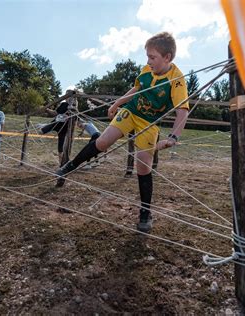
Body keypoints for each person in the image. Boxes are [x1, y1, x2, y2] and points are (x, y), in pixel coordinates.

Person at [56, 32, 189, 233]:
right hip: (131, 111)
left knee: (143, 166)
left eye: (152, 57)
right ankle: (70, 165)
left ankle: (145, 212)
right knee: (103, 141)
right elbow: (136, 89)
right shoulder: (146, 70)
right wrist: (117, 103)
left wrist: (173, 137)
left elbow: (182, 110)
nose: (148, 61)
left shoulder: (177, 80)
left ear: (167, 57)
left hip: (149, 122)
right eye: (147, 56)